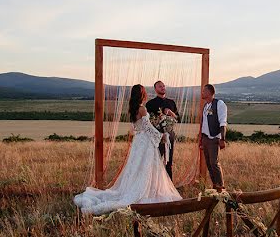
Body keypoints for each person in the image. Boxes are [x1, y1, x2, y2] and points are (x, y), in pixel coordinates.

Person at [74, 84, 181, 215]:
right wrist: (161, 135)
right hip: (145, 142)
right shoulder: (142, 109)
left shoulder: (133, 108)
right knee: (146, 167)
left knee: (137, 167)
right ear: (142, 94)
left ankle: (143, 188)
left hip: (138, 142)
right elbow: (148, 129)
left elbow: (137, 128)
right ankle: (145, 191)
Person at [145, 80, 179, 179]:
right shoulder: (150, 104)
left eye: (163, 86)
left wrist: (171, 113)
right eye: (160, 86)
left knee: (169, 162)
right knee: (156, 161)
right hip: (157, 136)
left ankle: (170, 187)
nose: (163, 87)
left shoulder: (171, 102)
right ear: (155, 89)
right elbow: (148, 122)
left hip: (170, 135)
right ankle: (155, 185)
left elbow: (178, 119)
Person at [199, 83, 227, 189]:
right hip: (206, 138)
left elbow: (223, 122)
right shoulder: (206, 106)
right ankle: (215, 185)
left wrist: (222, 139)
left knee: (214, 163)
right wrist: (201, 140)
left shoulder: (219, 103)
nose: (202, 93)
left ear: (210, 92)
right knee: (209, 164)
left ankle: (221, 187)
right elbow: (204, 124)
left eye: (203, 91)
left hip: (214, 138)